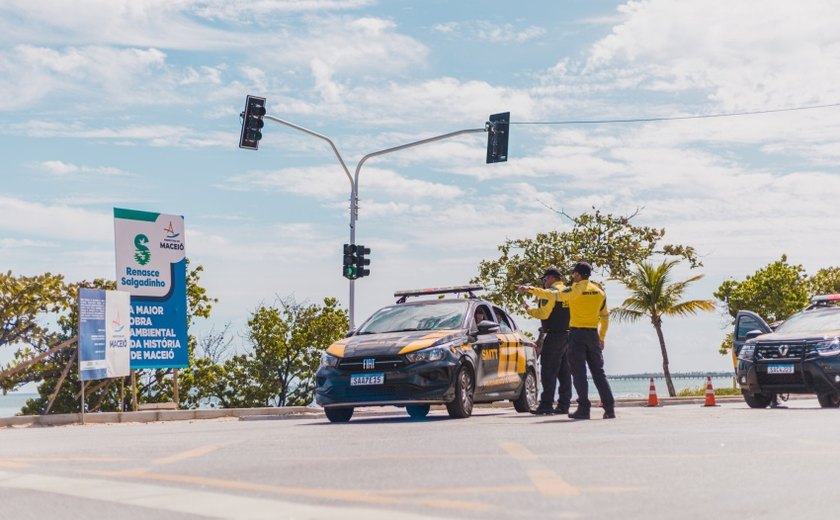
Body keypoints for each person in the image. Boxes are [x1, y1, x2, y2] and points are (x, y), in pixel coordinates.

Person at [518, 261, 615, 420]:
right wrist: (602, 336)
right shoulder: (599, 292)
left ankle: (583, 409)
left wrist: (529, 289)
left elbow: (552, 295)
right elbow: (605, 316)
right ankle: (609, 409)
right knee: (598, 372)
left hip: (576, 335)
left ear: (578, 274)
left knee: (579, 373)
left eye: (574, 273)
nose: (573, 276)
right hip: (593, 335)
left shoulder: (574, 290)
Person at [519, 267, 572, 415]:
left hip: (554, 336)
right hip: (569, 335)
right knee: (565, 372)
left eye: (545, 279)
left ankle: (546, 405)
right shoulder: (568, 291)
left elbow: (543, 314)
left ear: (551, 278)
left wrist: (528, 309)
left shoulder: (548, 293)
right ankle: (564, 405)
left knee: (548, 370)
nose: (544, 282)